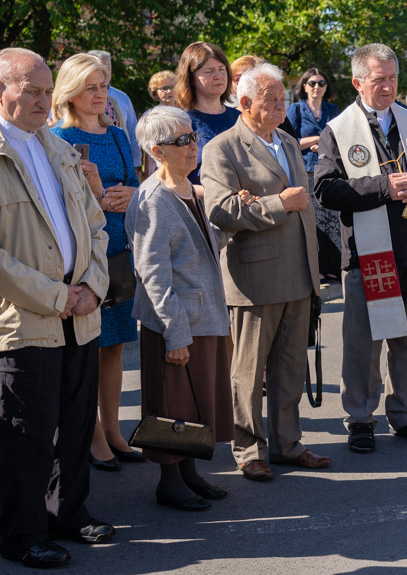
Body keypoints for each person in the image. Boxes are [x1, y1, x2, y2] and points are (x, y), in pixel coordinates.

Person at [0, 46, 113, 569]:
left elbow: (94, 224)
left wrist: (91, 285)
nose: (46, 102)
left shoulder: (56, 147)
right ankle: (21, 534)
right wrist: (55, 295)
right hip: (28, 320)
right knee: (26, 432)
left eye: (48, 92)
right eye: (33, 92)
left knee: (73, 421)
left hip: (80, 313)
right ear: (2, 91)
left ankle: (67, 512)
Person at [316, 43, 407, 453]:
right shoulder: (338, 130)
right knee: (363, 342)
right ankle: (360, 418)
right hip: (367, 253)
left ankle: (405, 412)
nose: (388, 86)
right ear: (358, 82)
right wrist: (382, 187)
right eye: (379, 79)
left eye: (392, 77)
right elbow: (324, 188)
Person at [202, 62, 331, 481]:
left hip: (298, 274)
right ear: (244, 103)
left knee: (291, 367)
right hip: (254, 279)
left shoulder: (289, 142)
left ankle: (288, 444)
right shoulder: (221, 148)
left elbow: (303, 208)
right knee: (247, 371)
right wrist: (276, 203)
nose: (281, 106)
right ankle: (247, 450)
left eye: (282, 98)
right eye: (270, 100)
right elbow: (220, 210)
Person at [126, 106, 234, 510]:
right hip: (176, 322)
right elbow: (153, 274)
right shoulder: (153, 199)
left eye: (193, 136)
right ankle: (169, 483)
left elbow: (202, 250)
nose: (194, 146)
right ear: (157, 150)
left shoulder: (189, 187)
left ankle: (189, 473)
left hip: (201, 315)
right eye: (183, 141)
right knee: (172, 404)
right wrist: (175, 333)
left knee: (195, 402)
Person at [51, 53, 143, 471]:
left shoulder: (120, 135)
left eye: (103, 85)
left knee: (115, 347)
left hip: (120, 251)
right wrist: (98, 196)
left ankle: (114, 430)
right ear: (70, 91)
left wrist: (131, 196)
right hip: (84, 255)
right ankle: (89, 436)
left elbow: (137, 184)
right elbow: (56, 205)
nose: (99, 94)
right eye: (90, 86)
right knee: (86, 347)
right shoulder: (56, 138)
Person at [287, 68, 342, 280]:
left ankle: (332, 267)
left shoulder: (332, 109)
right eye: (312, 83)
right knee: (313, 221)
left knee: (332, 218)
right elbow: (290, 142)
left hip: (330, 169)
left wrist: (326, 144)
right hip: (306, 170)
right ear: (304, 86)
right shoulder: (296, 110)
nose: (317, 87)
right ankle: (315, 269)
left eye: (321, 83)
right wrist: (318, 140)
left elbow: (339, 137)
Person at [175, 42, 240, 191]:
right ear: (191, 78)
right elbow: (173, 181)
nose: (218, 76)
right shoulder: (180, 124)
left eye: (222, 69)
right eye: (209, 71)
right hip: (200, 209)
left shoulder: (241, 119)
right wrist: (217, 194)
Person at [87, 51, 142, 182]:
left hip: (122, 165)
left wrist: (136, 164)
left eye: (108, 66)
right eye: (100, 66)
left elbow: (133, 134)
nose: (105, 71)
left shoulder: (122, 98)